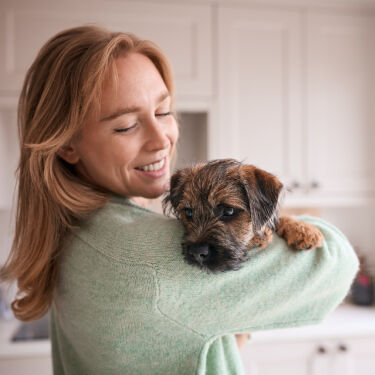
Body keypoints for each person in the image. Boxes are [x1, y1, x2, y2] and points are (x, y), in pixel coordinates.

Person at [0, 25, 358, 375]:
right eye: (125, 125)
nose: (162, 140)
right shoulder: (147, 263)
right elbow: (335, 264)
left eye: (163, 111)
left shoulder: (72, 230)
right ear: (66, 145)